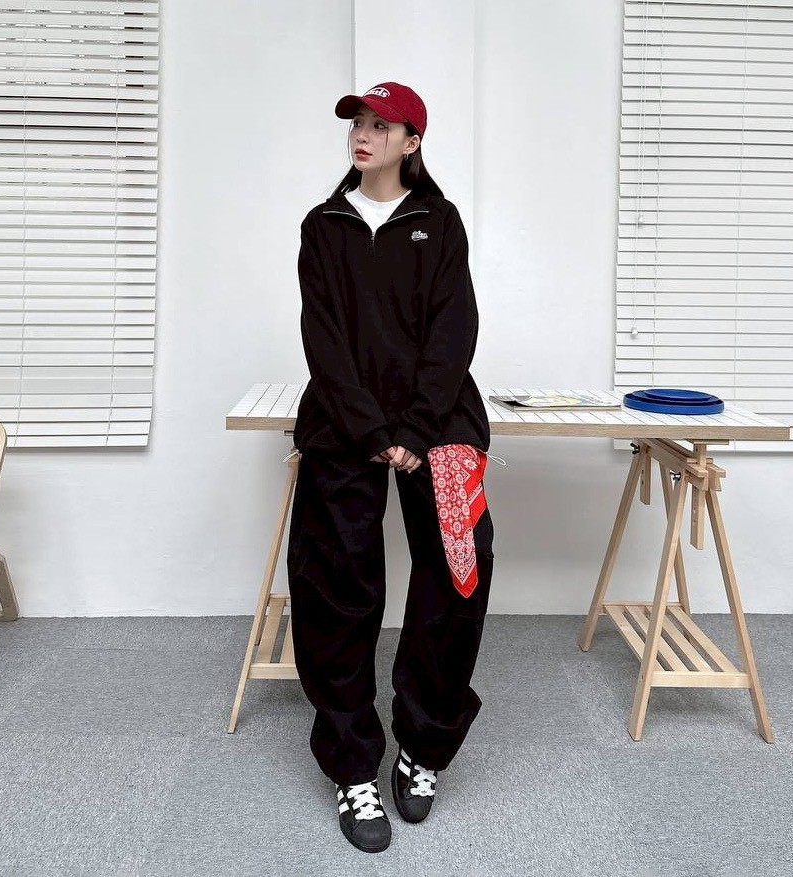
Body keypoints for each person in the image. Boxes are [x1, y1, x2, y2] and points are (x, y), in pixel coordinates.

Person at [286, 81, 495, 854]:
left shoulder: (439, 221)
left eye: (381, 124)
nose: (363, 134)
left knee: (457, 572)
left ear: (411, 141)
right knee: (334, 586)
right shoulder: (324, 225)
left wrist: (413, 427)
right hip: (344, 422)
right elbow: (323, 338)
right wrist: (372, 429)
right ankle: (352, 765)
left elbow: (453, 329)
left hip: (437, 423)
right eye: (357, 122)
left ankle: (423, 748)